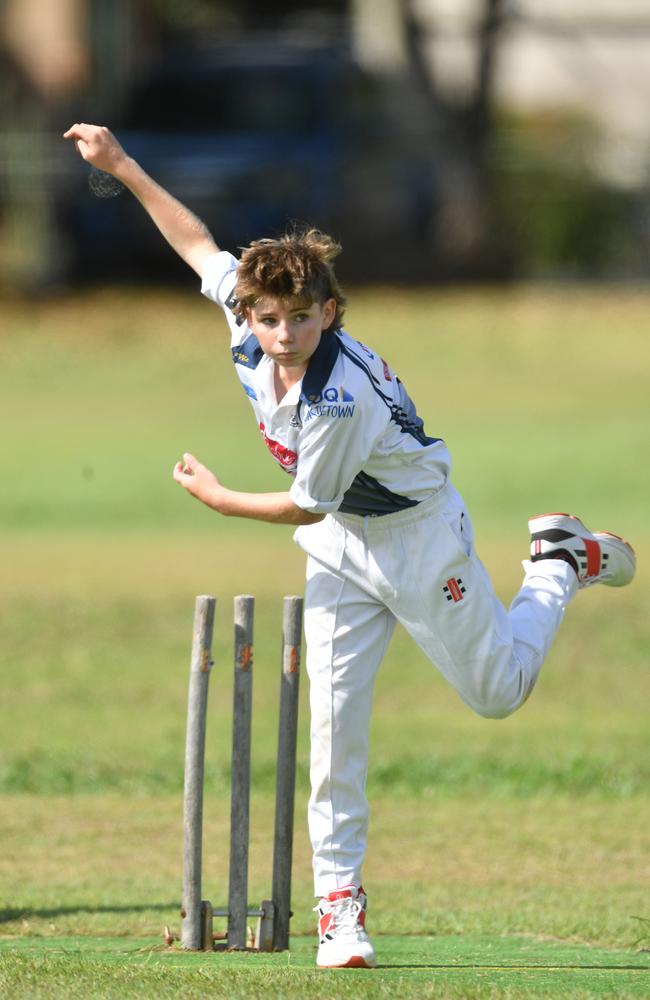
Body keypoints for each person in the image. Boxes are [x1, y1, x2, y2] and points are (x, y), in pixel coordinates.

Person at [64, 123, 636, 969]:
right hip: (342, 545)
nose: (284, 334)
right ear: (249, 313)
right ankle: (341, 908)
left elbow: (303, 506)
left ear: (329, 312)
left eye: (302, 318)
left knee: (498, 692)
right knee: (332, 730)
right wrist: (121, 166)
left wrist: (219, 499)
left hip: (417, 537)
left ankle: (558, 561)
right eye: (268, 319)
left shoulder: (340, 398)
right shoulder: (247, 315)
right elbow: (197, 245)